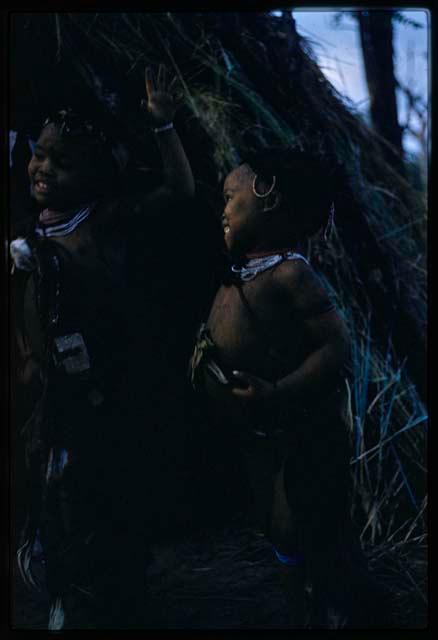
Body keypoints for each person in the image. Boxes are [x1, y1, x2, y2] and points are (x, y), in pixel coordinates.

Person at [11, 65, 194, 629]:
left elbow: (179, 193)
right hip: (55, 394)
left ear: (94, 176)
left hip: (107, 393)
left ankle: (110, 591)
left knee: (104, 493)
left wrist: (163, 127)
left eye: (62, 163)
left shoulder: (105, 222)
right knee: (58, 495)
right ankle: (73, 589)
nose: (43, 168)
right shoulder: (34, 231)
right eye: (39, 155)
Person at [189, 150, 391, 628]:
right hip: (259, 432)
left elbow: (336, 347)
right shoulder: (243, 267)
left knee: (298, 522)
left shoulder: (291, 273)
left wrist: (278, 392)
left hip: (299, 429)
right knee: (275, 522)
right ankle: (302, 605)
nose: (222, 210)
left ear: (268, 198)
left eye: (230, 198)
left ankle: (333, 607)